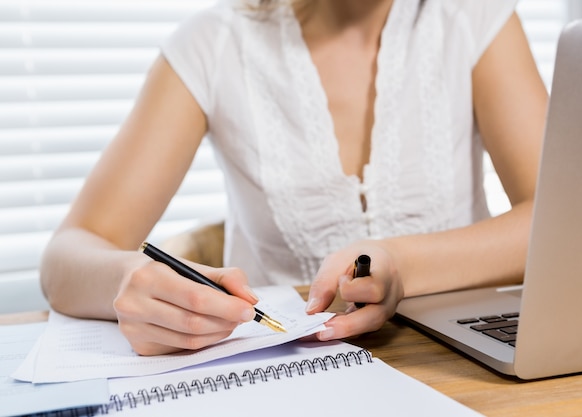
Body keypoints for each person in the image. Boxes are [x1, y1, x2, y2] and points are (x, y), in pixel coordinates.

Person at [40, 0, 547, 356]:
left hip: (458, 362)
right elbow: (67, 256)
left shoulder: (476, 17)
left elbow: (561, 223)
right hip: (281, 378)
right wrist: (129, 283)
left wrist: (406, 265)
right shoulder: (213, 46)